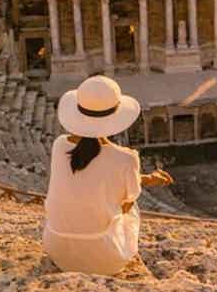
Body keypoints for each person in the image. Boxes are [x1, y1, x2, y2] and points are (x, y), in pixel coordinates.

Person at [43, 75, 172, 275]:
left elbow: (91, 176)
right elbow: (126, 202)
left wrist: (146, 178)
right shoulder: (126, 158)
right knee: (131, 204)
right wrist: (147, 179)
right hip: (104, 259)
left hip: (58, 250)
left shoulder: (59, 145)